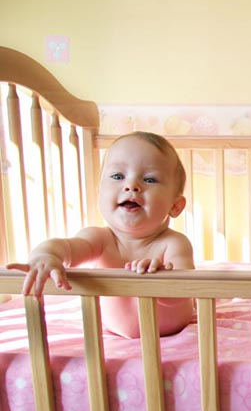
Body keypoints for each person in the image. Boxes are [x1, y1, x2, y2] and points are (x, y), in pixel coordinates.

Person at [7, 131, 194, 338]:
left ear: (175, 206)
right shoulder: (98, 239)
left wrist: (163, 278)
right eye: (117, 176)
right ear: (99, 193)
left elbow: (186, 289)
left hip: (172, 334)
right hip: (112, 335)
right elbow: (67, 248)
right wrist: (46, 255)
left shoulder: (174, 243)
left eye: (150, 179)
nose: (131, 186)